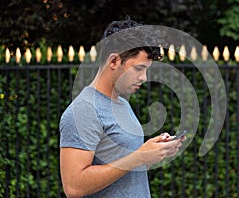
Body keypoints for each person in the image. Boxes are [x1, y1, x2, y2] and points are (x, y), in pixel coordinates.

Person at [59, 18, 184, 198]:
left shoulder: (122, 104)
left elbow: (125, 167)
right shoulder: (84, 110)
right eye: (139, 68)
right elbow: (74, 187)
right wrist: (139, 156)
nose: (144, 78)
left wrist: (154, 153)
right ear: (114, 61)